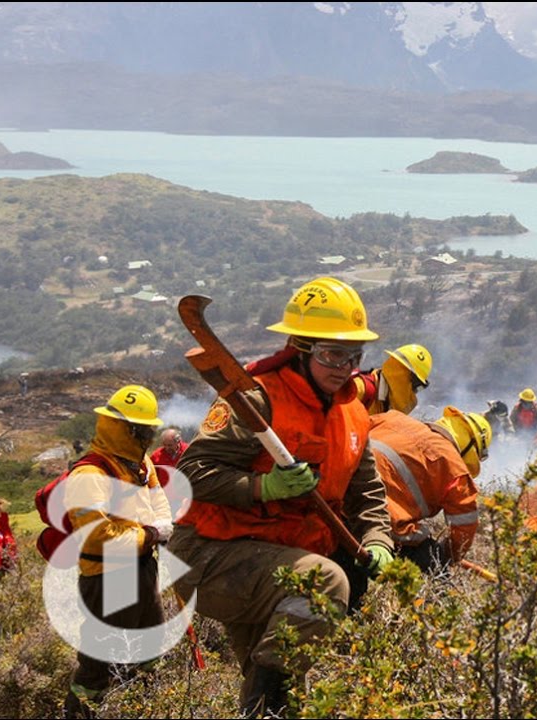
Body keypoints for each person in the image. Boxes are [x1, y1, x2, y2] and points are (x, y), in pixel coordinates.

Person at [170, 276, 396, 718]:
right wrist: (262, 487)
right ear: (302, 348)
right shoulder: (256, 399)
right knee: (325, 584)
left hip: (278, 564)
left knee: (278, 685)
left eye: (353, 356)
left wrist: (379, 541)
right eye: (332, 354)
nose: (343, 367)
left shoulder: (353, 413)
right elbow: (191, 473)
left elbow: (365, 490)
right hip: (212, 556)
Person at [61, 384, 173, 719]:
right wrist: (151, 533)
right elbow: (98, 537)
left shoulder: (140, 464)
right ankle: (79, 713)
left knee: (149, 643)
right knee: (100, 657)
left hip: (142, 566)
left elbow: (156, 497)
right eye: (143, 430)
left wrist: (163, 523)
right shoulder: (89, 474)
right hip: (109, 575)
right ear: (127, 429)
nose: (148, 436)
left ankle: (146, 707)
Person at [366, 407, 491, 580]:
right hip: (382, 520)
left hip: (337, 491)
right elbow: (464, 528)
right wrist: (447, 555)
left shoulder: (393, 418)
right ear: (472, 449)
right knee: (436, 573)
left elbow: (352, 429)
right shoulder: (455, 469)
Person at [355, 343, 433, 415]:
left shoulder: (389, 400)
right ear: (402, 374)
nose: (414, 391)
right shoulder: (360, 389)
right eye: (416, 384)